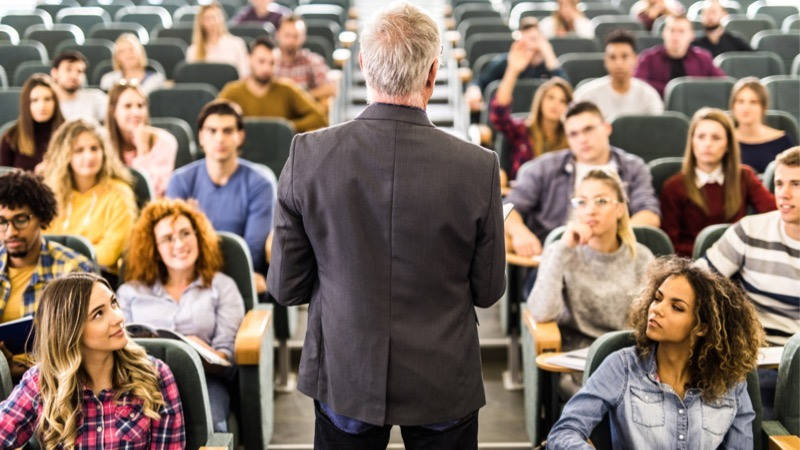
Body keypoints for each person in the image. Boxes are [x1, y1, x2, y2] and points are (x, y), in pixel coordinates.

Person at [268, 4, 506, 449]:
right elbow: (489, 289)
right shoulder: (479, 166)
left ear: (362, 65)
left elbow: (286, 287)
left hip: (346, 371)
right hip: (442, 376)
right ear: (433, 73)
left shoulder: (308, 155)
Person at [546, 256, 763, 449]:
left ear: (703, 327)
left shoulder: (731, 381)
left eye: (676, 307)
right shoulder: (621, 367)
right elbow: (564, 432)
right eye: (658, 298)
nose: (657, 309)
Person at [0, 272, 186, 449]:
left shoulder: (155, 374)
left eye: (113, 304)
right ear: (71, 332)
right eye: (98, 314)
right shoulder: (41, 381)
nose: (118, 317)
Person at [118, 198, 244, 432]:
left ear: (198, 237)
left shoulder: (222, 286)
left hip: (205, 382)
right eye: (167, 238)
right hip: (142, 383)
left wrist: (200, 350)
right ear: (153, 248)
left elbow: (227, 359)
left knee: (213, 429)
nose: (179, 244)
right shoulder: (129, 292)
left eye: (186, 233)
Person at [505, 101, 661, 260]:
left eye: (588, 130)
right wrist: (519, 233)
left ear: (607, 128)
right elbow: (508, 208)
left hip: (614, 257)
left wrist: (613, 240)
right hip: (554, 256)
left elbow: (649, 213)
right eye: (573, 134)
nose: (582, 139)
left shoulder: (633, 167)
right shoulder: (543, 168)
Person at [529, 170, 654, 351]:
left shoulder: (642, 257)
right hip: (576, 358)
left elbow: (649, 323)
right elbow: (541, 312)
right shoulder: (560, 253)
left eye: (601, 201)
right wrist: (563, 250)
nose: (590, 210)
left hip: (628, 355)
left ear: (620, 209)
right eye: (581, 202)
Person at [166, 99, 273, 294]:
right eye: (212, 131)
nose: (219, 138)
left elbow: (252, 252)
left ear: (240, 136)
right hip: (188, 278)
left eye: (228, 131)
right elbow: (173, 244)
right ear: (201, 137)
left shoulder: (261, 182)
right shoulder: (180, 180)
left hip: (241, 279)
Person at [698, 146, 800, 345]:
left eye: (796, 184)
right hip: (751, 352)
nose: (784, 194)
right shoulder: (750, 230)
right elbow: (695, 281)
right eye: (779, 184)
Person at [0, 170, 94, 380]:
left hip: (56, 380)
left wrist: (26, 370)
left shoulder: (73, 270)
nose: (10, 231)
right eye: (2, 222)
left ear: (41, 218)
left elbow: (86, 344)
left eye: (21, 220)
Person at [660, 108, 775, 256]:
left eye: (716, 138)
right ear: (692, 142)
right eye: (701, 137)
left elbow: (773, 214)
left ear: (727, 145)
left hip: (739, 259)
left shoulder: (744, 176)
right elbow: (671, 244)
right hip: (693, 266)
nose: (707, 144)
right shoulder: (674, 186)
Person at [43, 119, 137, 274]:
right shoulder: (52, 193)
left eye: (94, 148)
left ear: (104, 152)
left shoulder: (119, 193)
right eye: (79, 150)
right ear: (65, 155)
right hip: (52, 275)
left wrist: (63, 259)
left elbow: (109, 255)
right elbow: (41, 244)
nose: (89, 156)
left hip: (99, 276)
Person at [219, 36, 328, 132]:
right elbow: (213, 119)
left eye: (272, 63)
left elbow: (319, 117)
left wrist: (286, 128)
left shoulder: (287, 89)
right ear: (249, 59)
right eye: (261, 61)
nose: (266, 68)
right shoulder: (232, 91)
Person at [465, 18, 568, 115]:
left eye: (535, 39)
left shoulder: (550, 66)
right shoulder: (505, 62)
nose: (531, 45)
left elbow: (566, 91)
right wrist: (474, 90)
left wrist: (549, 55)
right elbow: (479, 81)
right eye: (527, 40)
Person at [489, 74, 572, 179]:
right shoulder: (522, 130)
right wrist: (512, 71)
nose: (555, 104)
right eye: (551, 97)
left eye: (563, 101)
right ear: (541, 100)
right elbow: (499, 116)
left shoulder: (572, 138)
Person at [573, 30, 664, 122]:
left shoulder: (649, 95)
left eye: (625, 56)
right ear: (605, 61)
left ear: (635, 59)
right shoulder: (586, 95)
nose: (618, 63)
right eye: (612, 57)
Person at [106, 81, 178, 197]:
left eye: (140, 106)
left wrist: (142, 150)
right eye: (128, 106)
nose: (136, 112)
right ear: (113, 111)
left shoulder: (165, 141)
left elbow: (154, 191)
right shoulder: (103, 143)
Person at [635, 15, 726, 97]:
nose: (675, 36)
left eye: (681, 31)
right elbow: (638, 85)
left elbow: (721, 84)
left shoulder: (703, 58)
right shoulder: (648, 58)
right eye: (671, 30)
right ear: (664, 33)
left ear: (691, 36)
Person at [0, 74, 65, 172]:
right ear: (26, 104)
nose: (42, 106)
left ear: (55, 102)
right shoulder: (11, 136)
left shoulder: (69, 133)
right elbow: (3, 179)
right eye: (34, 100)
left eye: (47, 99)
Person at [730, 77, 795, 173]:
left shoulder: (783, 141)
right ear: (733, 106)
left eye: (753, 102)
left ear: (763, 107)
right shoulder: (723, 140)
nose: (746, 108)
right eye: (740, 101)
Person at [274, 15, 336, 107]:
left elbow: (330, 88)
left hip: (302, 111)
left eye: (296, 36)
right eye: (287, 35)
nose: (291, 40)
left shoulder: (312, 60)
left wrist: (302, 97)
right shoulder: (269, 61)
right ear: (278, 35)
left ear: (303, 37)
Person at [188, 2, 250, 79]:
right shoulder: (193, 50)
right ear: (201, 23)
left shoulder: (237, 44)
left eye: (216, 17)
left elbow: (244, 75)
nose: (212, 22)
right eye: (208, 18)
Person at [99, 33, 166, 95]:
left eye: (131, 49)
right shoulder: (108, 80)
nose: (128, 54)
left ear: (140, 52)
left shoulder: (156, 80)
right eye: (122, 51)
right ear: (117, 57)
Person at [50, 51, 107, 122]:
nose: (74, 75)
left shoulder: (96, 97)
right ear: (54, 73)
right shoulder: (44, 102)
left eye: (79, 71)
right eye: (68, 69)